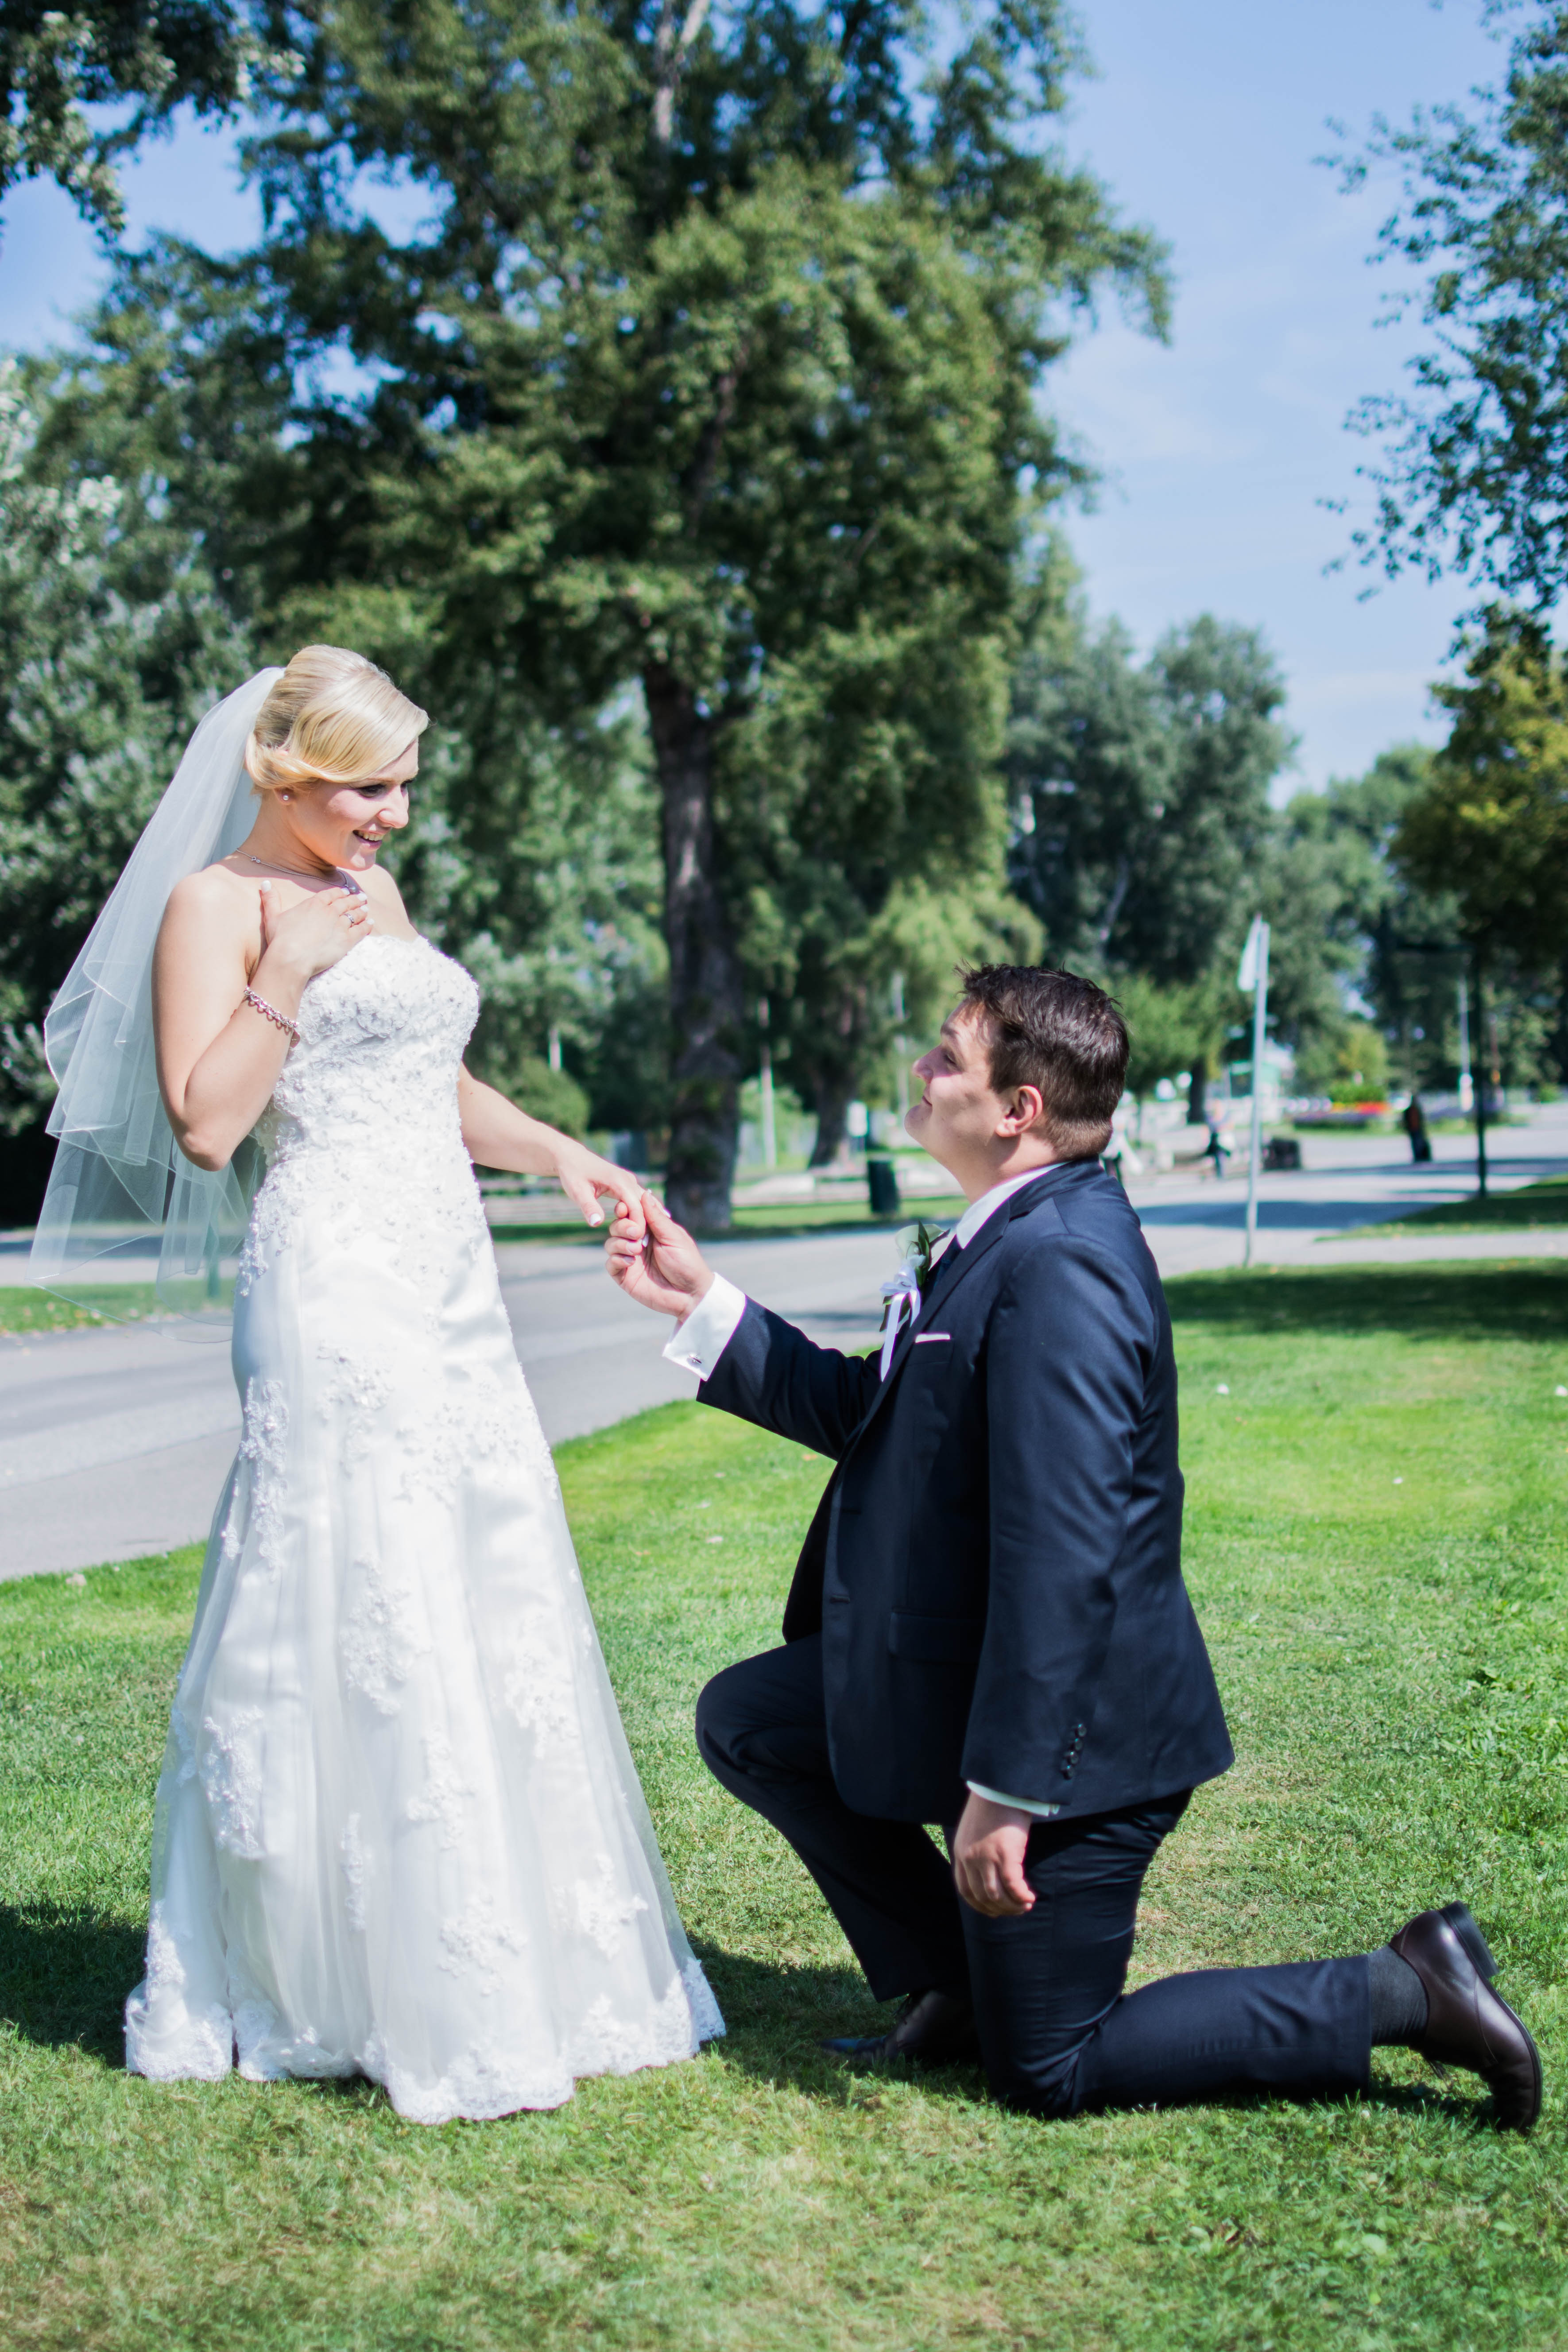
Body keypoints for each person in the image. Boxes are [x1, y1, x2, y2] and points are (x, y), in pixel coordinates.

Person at [604, 964, 1541, 2131]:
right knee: (755, 1717)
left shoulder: (1062, 1266)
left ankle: (1403, 1984)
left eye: (946, 1054)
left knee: (1045, 2067)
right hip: (977, 1680)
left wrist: (1005, 1789)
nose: (920, 1068)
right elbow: (877, 1413)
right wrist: (703, 1300)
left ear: (1018, 1108)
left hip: (1084, 1747)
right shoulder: (1011, 1231)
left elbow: (1065, 1551)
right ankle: (957, 1979)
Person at [32, 650, 721, 2124]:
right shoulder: (216, 907)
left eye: (405, 785)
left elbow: (424, 1075)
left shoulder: (374, 895)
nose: (395, 815)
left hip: (446, 1280)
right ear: (284, 772)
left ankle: (498, 1939)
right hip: (329, 1276)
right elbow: (208, 1122)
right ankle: (321, 1969)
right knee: (349, 1581)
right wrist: (281, 977)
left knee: (479, 1566)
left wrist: (558, 1152)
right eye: (370, 786)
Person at [1403, 1094, 1433, 1163]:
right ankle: (1417, 1156)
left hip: (1418, 1129)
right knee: (1415, 1144)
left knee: (1419, 1143)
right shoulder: (1410, 1110)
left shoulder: (1417, 1109)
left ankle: (1421, 1156)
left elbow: (1421, 1120)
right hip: (1412, 1129)